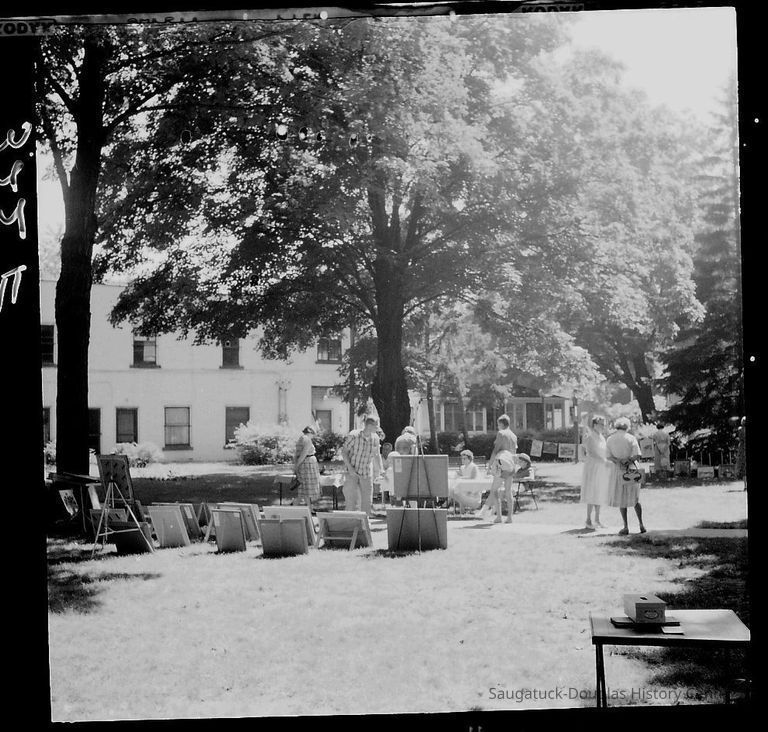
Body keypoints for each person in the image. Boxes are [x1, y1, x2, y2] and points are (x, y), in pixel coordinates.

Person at [606, 417, 646, 535]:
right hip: (631, 469)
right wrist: (628, 460)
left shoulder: (610, 439)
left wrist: (619, 461)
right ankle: (641, 524)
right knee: (635, 498)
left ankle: (625, 526)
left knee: (621, 498)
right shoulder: (631, 438)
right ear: (627, 427)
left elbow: (608, 456)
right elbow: (637, 454)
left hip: (618, 470)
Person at [478, 414, 518, 524]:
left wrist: (490, 465)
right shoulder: (514, 436)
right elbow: (514, 453)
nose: (497, 426)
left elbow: (495, 450)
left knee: (494, 490)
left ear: (501, 424)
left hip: (501, 464)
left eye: (498, 424)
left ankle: (499, 517)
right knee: (508, 491)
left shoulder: (501, 433)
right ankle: (510, 517)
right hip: (510, 464)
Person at [341, 416, 384, 516]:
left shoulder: (375, 438)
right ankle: (350, 525)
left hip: (366, 473)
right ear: (369, 425)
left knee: (367, 502)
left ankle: (365, 526)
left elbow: (377, 455)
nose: (378, 428)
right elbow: (344, 452)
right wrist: (350, 468)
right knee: (351, 501)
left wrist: (381, 470)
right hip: (352, 473)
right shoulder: (354, 435)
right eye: (376, 426)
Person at [580, 416, 611, 529]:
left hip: (601, 467)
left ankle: (597, 519)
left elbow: (605, 451)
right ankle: (588, 520)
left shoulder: (602, 437)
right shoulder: (590, 436)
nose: (603, 427)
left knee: (600, 492)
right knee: (592, 491)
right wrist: (604, 460)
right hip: (593, 467)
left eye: (604, 424)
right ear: (595, 424)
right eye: (601, 424)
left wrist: (607, 460)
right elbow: (591, 452)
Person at [293, 425, 320, 507]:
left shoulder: (300, 439)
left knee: (304, 486)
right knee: (308, 486)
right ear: (310, 432)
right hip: (308, 464)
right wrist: (297, 465)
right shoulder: (307, 440)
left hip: (303, 463)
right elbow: (304, 454)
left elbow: (296, 454)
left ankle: (308, 506)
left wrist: (296, 465)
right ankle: (298, 504)